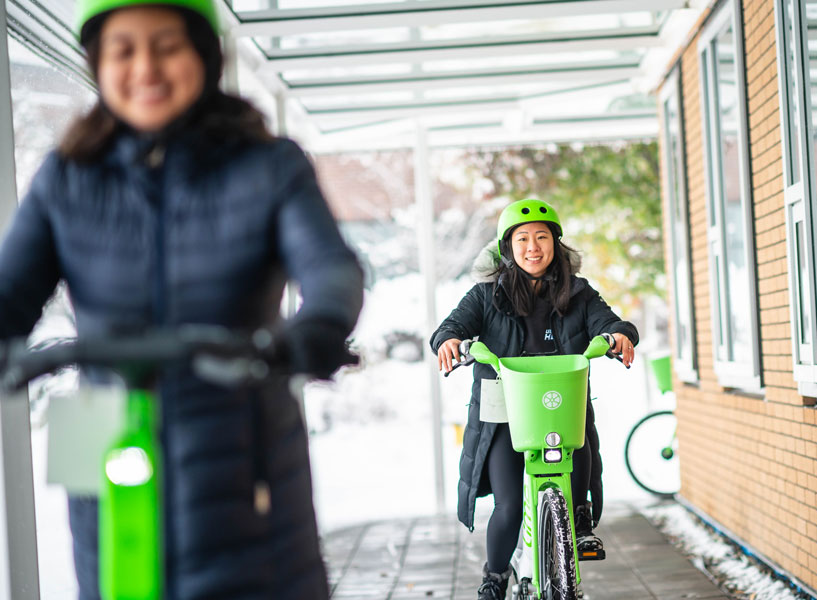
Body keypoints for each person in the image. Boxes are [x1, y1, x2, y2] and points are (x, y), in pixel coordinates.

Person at [0, 0, 363, 597]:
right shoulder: (65, 175)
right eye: (123, 49)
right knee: (108, 578)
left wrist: (317, 325)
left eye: (166, 45)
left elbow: (330, 267)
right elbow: (12, 289)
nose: (146, 67)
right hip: (94, 419)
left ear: (202, 53)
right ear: (98, 61)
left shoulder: (270, 165)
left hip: (238, 410)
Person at [431, 198, 638, 600]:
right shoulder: (486, 295)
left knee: (577, 453)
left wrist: (618, 335)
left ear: (555, 245)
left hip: (559, 403)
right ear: (507, 248)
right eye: (522, 238)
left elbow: (609, 321)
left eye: (542, 237)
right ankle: (494, 577)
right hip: (503, 409)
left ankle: (577, 521)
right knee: (508, 506)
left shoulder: (579, 293)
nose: (533, 247)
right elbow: (452, 326)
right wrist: (450, 341)